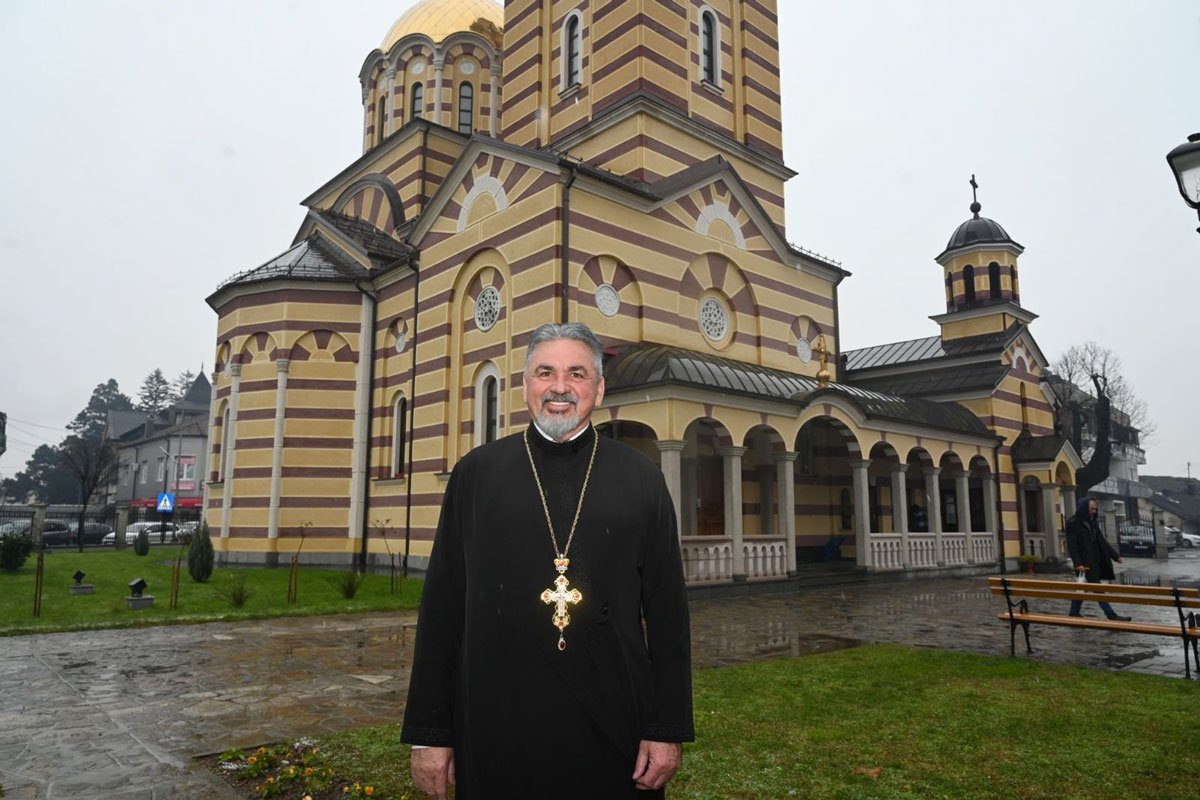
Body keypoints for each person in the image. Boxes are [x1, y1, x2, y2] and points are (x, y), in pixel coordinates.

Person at [401, 322, 694, 799]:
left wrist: (666, 727)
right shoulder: (476, 475)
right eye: (545, 372)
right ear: (525, 386)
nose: (560, 387)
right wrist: (430, 734)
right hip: (497, 727)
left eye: (576, 373)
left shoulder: (642, 478)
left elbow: (668, 615)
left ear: (599, 388)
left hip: (614, 726)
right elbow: (442, 609)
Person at [1064, 496, 1130, 621]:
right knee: (1098, 589)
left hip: (1094, 561)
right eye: (1091, 509)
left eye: (1095, 509)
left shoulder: (1092, 522)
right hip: (1084, 564)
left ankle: (1073, 612)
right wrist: (1078, 563)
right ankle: (1111, 614)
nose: (1094, 511)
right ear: (1084, 508)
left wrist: (1115, 556)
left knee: (1081, 588)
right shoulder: (1073, 523)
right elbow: (1072, 546)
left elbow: (1102, 542)